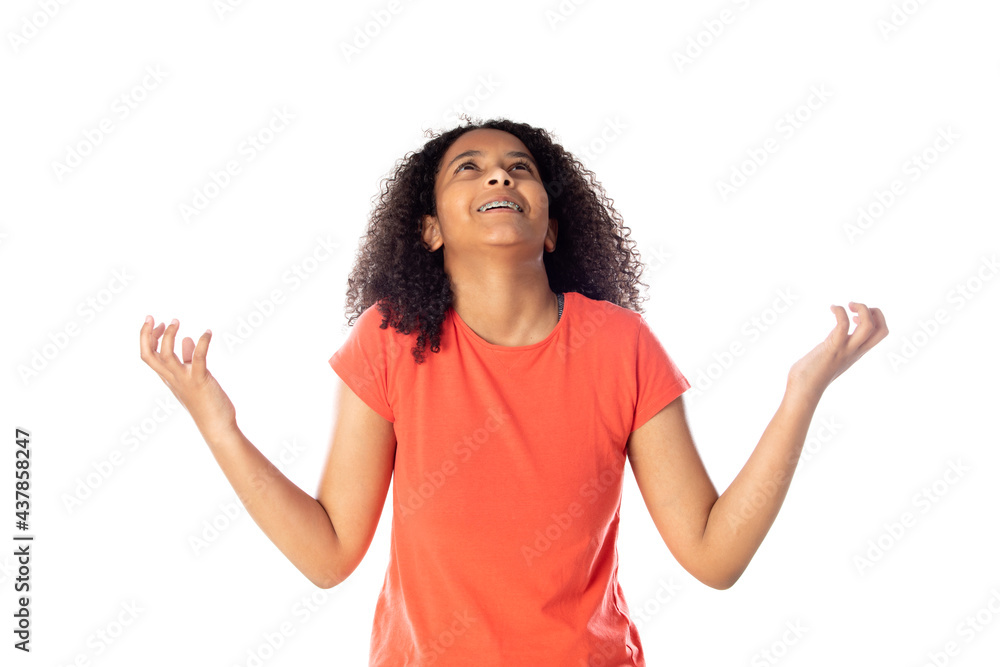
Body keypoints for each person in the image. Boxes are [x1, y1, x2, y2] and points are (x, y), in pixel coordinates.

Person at [139, 117, 888, 666]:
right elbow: (329, 552)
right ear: (430, 230)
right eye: (468, 168)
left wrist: (801, 394)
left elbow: (713, 556)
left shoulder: (621, 344)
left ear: (553, 228)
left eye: (518, 167)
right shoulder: (390, 339)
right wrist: (217, 424)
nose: (499, 177)